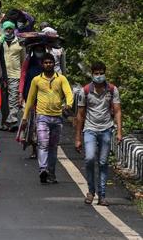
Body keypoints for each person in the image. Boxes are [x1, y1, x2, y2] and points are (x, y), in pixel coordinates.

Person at [75, 61, 123, 206]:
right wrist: (78, 138)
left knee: (103, 162)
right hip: (90, 129)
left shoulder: (112, 90)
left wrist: (119, 131)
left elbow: (117, 110)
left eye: (101, 73)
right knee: (89, 159)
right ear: (92, 74)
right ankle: (91, 191)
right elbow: (80, 115)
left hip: (106, 129)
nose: (99, 76)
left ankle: (102, 195)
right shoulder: (85, 91)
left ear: (105, 73)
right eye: (96, 73)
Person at [21, 53, 74, 184]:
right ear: (42, 64)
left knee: (53, 147)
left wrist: (69, 104)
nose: (48, 64)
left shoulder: (61, 79)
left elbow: (68, 93)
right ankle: (43, 169)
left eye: (50, 62)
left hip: (57, 118)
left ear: (53, 64)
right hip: (42, 117)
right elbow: (30, 99)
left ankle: (52, 173)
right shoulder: (36, 80)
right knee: (43, 144)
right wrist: (25, 116)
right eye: (46, 62)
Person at [17, 43, 47, 159]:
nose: (39, 51)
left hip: (45, 97)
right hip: (30, 96)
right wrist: (20, 94)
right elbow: (23, 76)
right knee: (32, 124)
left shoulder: (48, 63)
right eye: (37, 50)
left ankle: (43, 147)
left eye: (41, 49)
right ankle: (34, 148)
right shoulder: (28, 62)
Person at [0, 20, 24, 132]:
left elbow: (23, 60)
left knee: (13, 98)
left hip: (15, 74)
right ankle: (4, 121)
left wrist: (23, 74)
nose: (8, 31)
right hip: (2, 75)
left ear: (13, 29)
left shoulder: (19, 43)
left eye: (10, 28)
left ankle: (12, 120)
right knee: (3, 100)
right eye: (6, 29)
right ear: (3, 30)